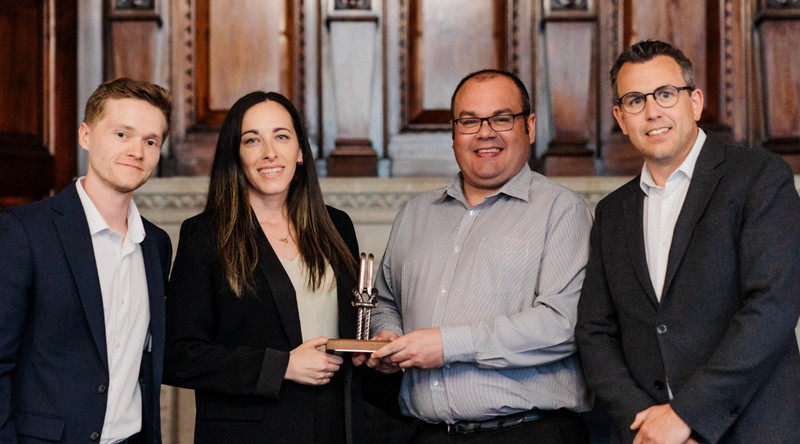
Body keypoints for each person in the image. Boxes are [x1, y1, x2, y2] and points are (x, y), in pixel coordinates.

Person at [575, 40, 800, 444]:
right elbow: (595, 332)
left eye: (665, 93)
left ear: (694, 102)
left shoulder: (759, 178)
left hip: (750, 429)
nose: (651, 111)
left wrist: (685, 415)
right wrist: (645, 423)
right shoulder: (611, 211)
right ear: (620, 118)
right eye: (634, 100)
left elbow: (773, 307)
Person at [355, 69, 593, 443]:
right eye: (469, 121)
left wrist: (448, 346)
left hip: (527, 432)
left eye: (501, 118)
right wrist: (389, 336)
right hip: (426, 435)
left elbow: (561, 326)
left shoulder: (562, 210)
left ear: (529, 126)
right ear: (453, 133)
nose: (485, 132)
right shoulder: (414, 214)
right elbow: (385, 302)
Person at [163, 91, 371, 444]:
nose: (269, 152)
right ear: (236, 155)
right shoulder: (205, 235)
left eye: (281, 136)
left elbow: (352, 327)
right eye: (251, 140)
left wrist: (375, 350)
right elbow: (178, 355)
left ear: (300, 151)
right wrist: (281, 367)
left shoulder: (337, 226)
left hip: (335, 426)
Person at [0, 78, 173, 443]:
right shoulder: (24, 232)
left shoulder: (156, 244)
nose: (137, 151)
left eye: (150, 141)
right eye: (122, 134)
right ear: (86, 135)